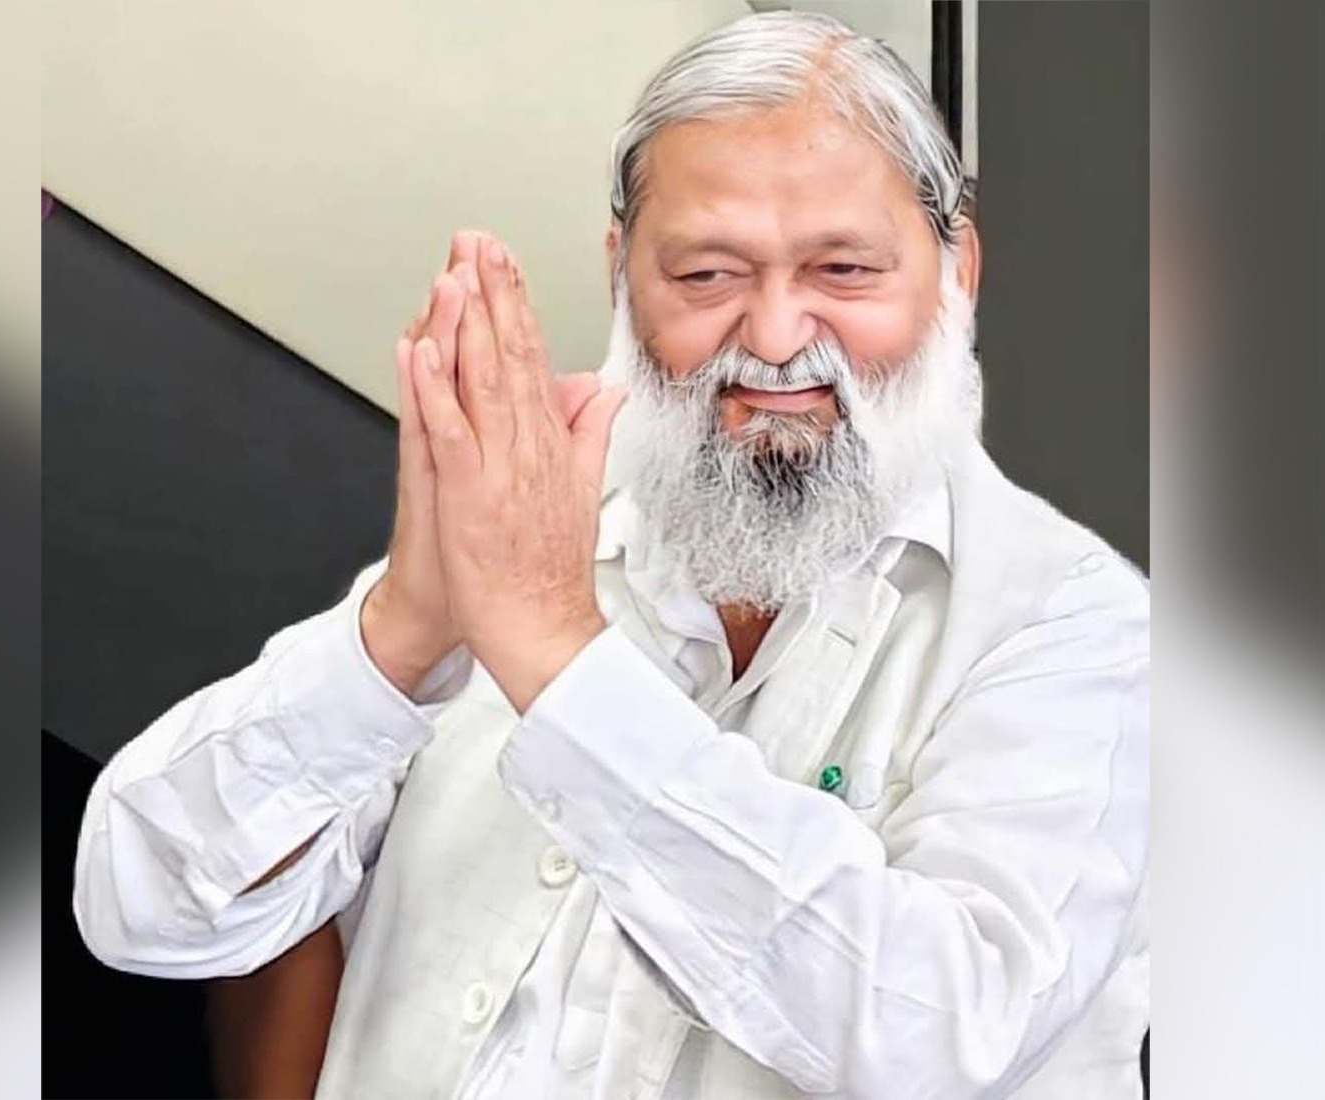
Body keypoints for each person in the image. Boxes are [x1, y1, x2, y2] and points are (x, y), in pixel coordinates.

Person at [73, 11, 1148, 1098]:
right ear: (621, 274)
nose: (776, 337)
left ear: (956, 270)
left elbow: (945, 1037)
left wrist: (558, 663)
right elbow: (144, 905)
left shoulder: (1075, 624)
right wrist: (399, 627)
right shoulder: (534, 541)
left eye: (842, 268)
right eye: (707, 275)